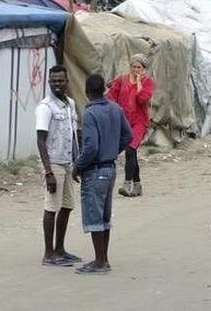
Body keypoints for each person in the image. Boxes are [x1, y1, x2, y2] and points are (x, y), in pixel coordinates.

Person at [72, 74, 133, 275]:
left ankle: (99, 261)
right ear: (104, 90)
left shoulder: (90, 114)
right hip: (111, 168)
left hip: (95, 169)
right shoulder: (115, 109)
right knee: (105, 216)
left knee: (95, 216)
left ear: (87, 92)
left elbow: (90, 146)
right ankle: (103, 259)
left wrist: (78, 165)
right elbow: (128, 136)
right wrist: (113, 150)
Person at [35, 65, 81, 267]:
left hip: (68, 162)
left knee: (68, 206)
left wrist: (78, 163)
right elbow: (40, 140)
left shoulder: (70, 104)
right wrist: (48, 172)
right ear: (49, 82)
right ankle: (48, 253)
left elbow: (73, 134)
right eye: (53, 81)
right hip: (53, 163)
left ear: (67, 81)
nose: (57, 84)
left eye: (60, 81)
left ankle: (60, 249)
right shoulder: (45, 107)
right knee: (51, 207)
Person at [108, 53, 155, 198]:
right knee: (132, 153)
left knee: (130, 149)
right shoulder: (121, 80)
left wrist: (139, 83)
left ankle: (127, 184)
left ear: (144, 69)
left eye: (139, 67)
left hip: (139, 122)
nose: (136, 70)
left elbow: (142, 99)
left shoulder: (148, 83)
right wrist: (116, 110)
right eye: (133, 67)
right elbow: (111, 96)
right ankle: (137, 184)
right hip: (124, 121)